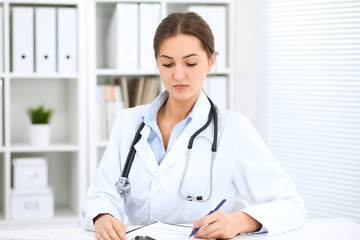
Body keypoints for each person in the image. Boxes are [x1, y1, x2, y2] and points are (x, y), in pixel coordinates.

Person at [82, 12, 306, 240]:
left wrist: (236, 221)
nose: (178, 75)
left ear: (210, 61)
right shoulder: (128, 122)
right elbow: (101, 195)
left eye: (190, 63)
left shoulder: (234, 129)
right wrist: (104, 218)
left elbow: (291, 205)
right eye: (167, 63)